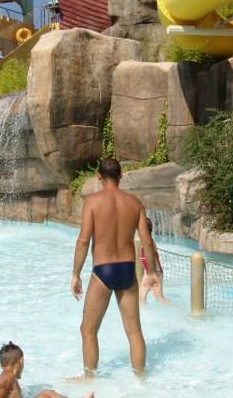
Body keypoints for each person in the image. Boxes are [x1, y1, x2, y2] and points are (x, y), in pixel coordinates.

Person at [71, 158, 158, 378]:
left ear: (99, 177)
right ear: (120, 176)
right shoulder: (134, 202)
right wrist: (151, 273)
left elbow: (83, 240)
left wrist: (75, 274)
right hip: (128, 269)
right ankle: (141, 379)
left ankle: (89, 377)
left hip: (103, 271)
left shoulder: (92, 201)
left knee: (88, 330)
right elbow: (147, 241)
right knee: (134, 331)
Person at [0, 341, 93, 398]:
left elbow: (0, 391)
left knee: (46, 393)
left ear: (1, 365)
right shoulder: (8, 378)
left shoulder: (4, 378)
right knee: (47, 393)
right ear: (21, 361)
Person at [139, 217, 170, 305]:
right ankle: (144, 316)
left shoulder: (149, 242)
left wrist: (153, 275)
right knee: (141, 298)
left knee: (160, 299)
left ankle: (178, 310)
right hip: (149, 273)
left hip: (155, 273)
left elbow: (152, 258)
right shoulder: (145, 241)